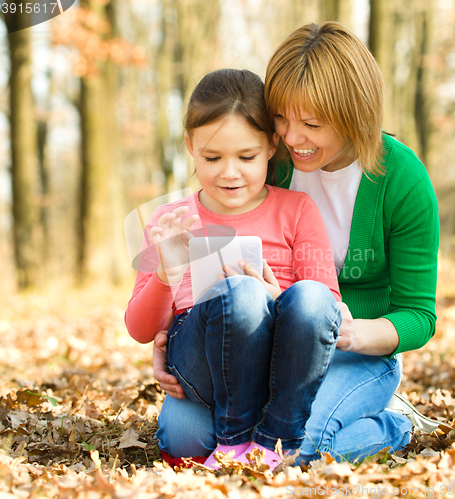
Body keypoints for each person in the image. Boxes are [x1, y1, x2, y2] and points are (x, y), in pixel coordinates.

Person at [152, 21, 440, 466]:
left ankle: (391, 425)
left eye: (311, 123)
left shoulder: (403, 181)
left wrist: (349, 332)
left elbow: (419, 317)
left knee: (297, 446)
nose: (291, 137)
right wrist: (170, 345)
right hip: (271, 350)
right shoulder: (273, 162)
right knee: (186, 437)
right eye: (282, 117)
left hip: (357, 352)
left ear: (354, 115)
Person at [125, 68, 342, 470]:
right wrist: (167, 273)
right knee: (239, 294)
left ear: (272, 146)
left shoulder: (296, 210)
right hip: (202, 366)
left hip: (281, 369)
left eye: (246, 157)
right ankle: (235, 442)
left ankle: (274, 440)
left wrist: (276, 300)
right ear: (190, 146)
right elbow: (139, 329)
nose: (229, 172)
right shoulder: (170, 220)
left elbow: (325, 307)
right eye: (212, 157)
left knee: (306, 295)